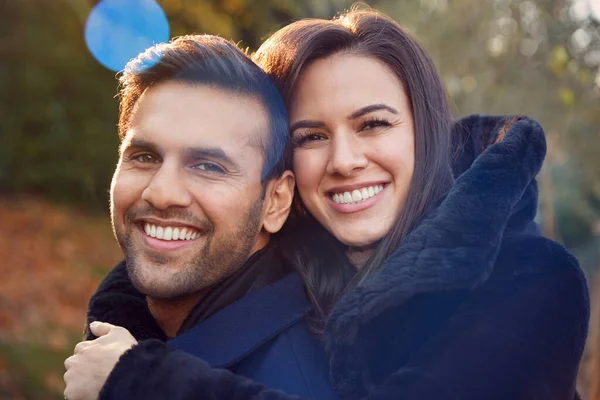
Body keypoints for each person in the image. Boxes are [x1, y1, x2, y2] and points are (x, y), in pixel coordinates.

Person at [69, 8, 589, 400]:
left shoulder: (531, 277)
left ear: (424, 131)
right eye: (312, 135)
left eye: (374, 124)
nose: (344, 160)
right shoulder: (295, 275)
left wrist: (144, 380)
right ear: (283, 181)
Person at [63, 34, 341, 400]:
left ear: (275, 201)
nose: (161, 193)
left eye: (208, 166)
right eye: (145, 157)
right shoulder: (123, 329)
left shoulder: (294, 379)